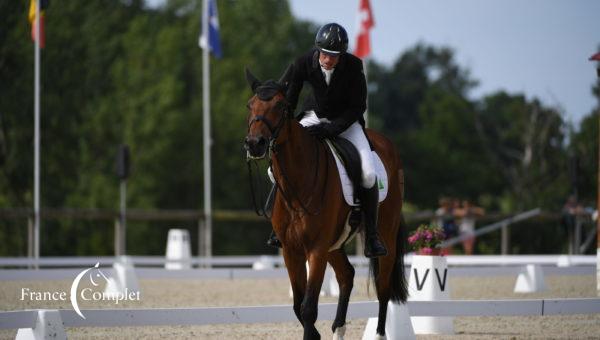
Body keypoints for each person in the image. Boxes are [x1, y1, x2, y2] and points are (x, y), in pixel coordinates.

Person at [266, 22, 387, 258]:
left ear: (340, 55)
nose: (327, 60)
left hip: (346, 123)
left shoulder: (353, 66)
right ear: (317, 50)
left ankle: (372, 236)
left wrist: (333, 128)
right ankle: (278, 226)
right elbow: (290, 99)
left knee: (369, 174)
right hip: (313, 117)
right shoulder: (303, 63)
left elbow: (358, 107)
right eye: (324, 54)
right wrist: (287, 125)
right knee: (275, 169)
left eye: (333, 56)